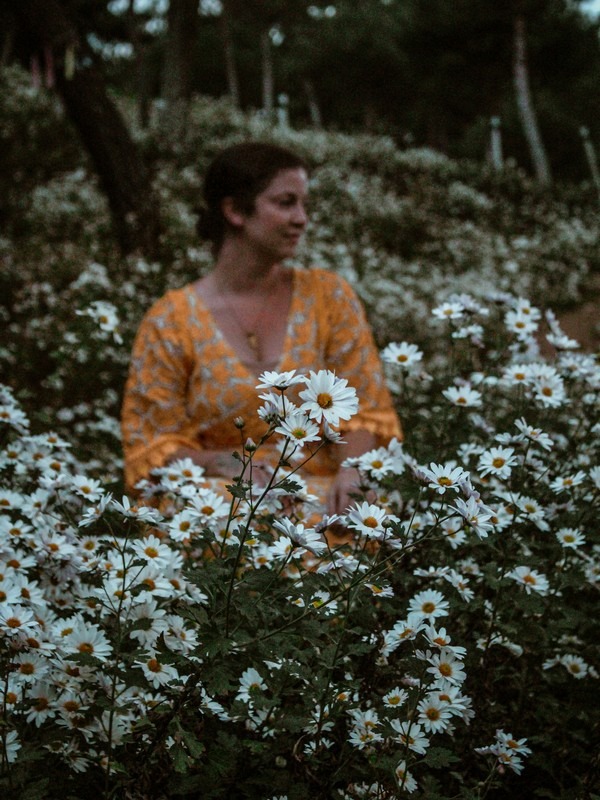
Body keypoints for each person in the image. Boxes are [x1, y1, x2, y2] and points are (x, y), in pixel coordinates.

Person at [121, 141, 401, 516]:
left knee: (361, 511)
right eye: (286, 203)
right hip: (218, 504)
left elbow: (365, 411)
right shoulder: (170, 321)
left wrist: (354, 473)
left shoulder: (328, 297)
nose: (301, 218)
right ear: (235, 210)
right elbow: (153, 447)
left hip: (321, 502)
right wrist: (231, 465)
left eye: (304, 204)